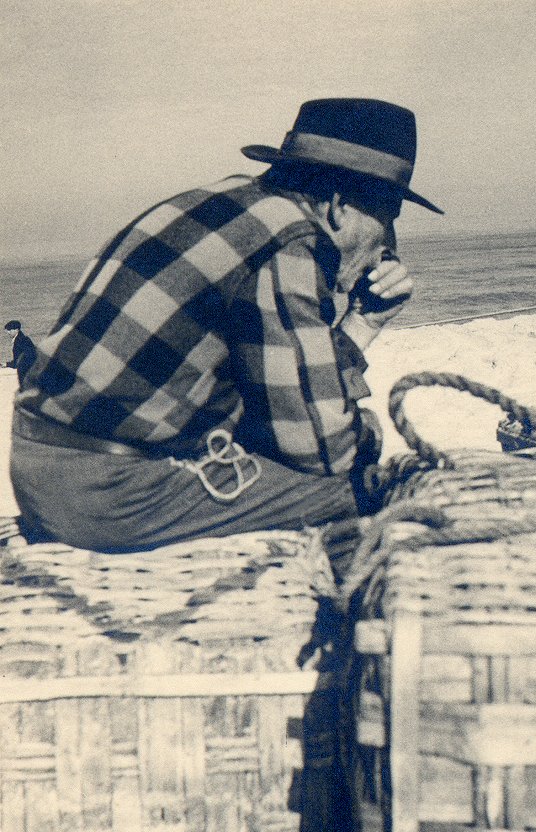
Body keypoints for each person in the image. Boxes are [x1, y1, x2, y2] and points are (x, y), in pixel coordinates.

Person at [10, 98, 442, 577]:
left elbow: (278, 399)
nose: (390, 243)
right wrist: (368, 411)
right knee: (357, 492)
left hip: (38, 465)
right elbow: (324, 452)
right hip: (111, 493)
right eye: (389, 217)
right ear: (340, 207)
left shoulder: (226, 202)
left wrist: (362, 320)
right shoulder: (290, 244)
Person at [2, 321, 37, 386]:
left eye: (10, 330)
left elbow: (19, 361)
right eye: (7, 330)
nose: (8, 332)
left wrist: (7, 364)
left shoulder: (20, 341)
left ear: (16, 330)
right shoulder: (22, 339)